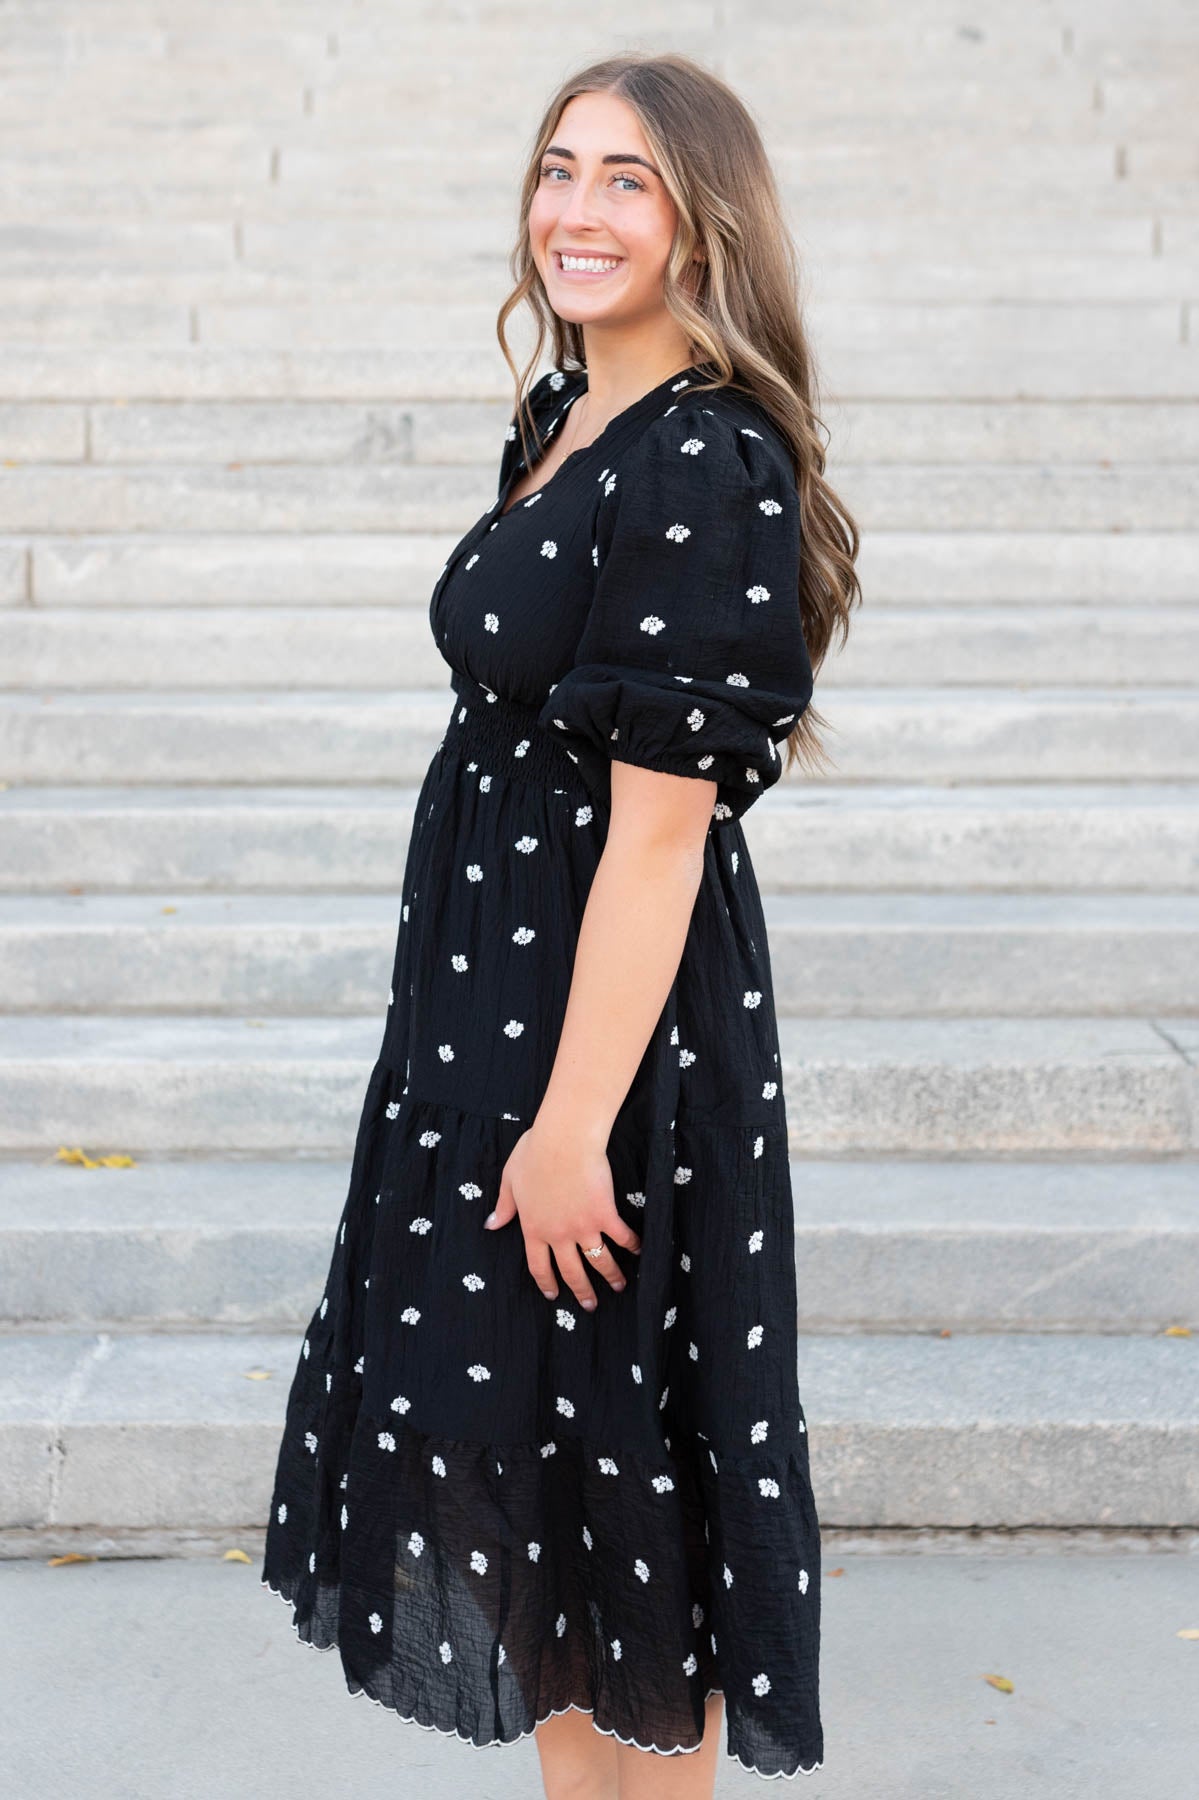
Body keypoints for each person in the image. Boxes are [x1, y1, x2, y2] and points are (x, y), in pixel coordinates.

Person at [261, 48, 861, 1798]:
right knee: (545, 1551)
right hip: (483, 1028)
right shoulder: (567, 421)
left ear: (705, 222)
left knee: (619, 1547)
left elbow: (661, 842)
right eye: (557, 168)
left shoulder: (708, 456)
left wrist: (574, 1127)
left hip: (596, 1065)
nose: (577, 212)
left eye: (627, 181)